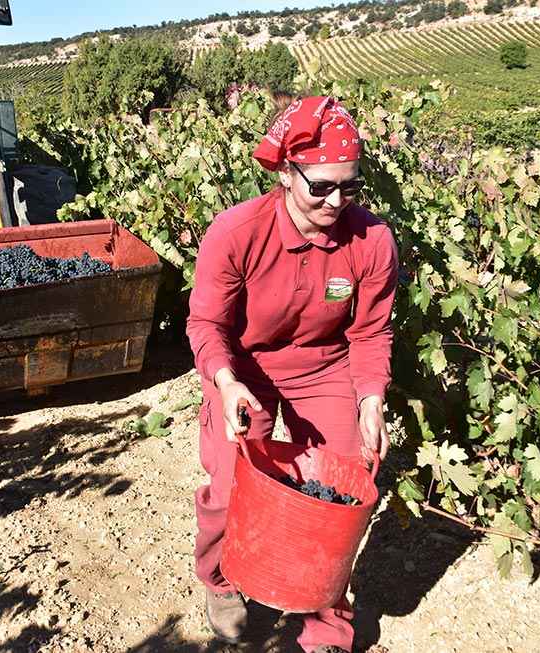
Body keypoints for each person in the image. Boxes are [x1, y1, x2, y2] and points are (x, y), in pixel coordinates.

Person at [186, 95, 398, 653]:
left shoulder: (371, 241)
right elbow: (206, 323)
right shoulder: (236, 233)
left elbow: (370, 333)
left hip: (324, 367)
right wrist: (225, 383)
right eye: (321, 186)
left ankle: (326, 620)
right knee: (231, 485)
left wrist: (371, 399)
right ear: (286, 172)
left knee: (339, 493)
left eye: (349, 187)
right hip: (246, 369)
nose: (335, 200)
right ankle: (221, 580)